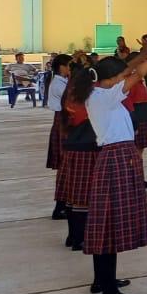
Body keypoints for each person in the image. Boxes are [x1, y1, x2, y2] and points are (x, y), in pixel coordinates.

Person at [71, 35, 147, 294]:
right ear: (112, 78)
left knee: (108, 223)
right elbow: (138, 71)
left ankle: (103, 281)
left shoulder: (100, 92)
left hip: (115, 157)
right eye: (121, 74)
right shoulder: (104, 96)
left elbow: (131, 67)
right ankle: (108, 292)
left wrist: (145, 52)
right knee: (110, 224)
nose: (125, 76)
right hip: (117, 157)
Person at [57, 74, 98, 251]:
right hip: (85, 150)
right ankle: (79, 238)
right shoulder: (84, 103)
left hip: (72, 150)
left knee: (72, 196)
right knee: (82, 198)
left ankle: (72, 235)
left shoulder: (70, 97)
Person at [45, 54, 73, 220]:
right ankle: (60, 206)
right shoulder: (59, 84)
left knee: (66, 167)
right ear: (62, 67)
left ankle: (64, 204)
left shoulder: (63, 82)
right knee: (65, 167)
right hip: (63, 122)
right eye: (69, 66)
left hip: (64, 122)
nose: (70, 69)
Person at [124, 53, 147, 189]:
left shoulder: (138, 79)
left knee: (138, 152)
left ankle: (137, 178)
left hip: (140, 118)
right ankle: (133, 180)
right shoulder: (129, 80)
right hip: (134, 119)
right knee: (133, 152)